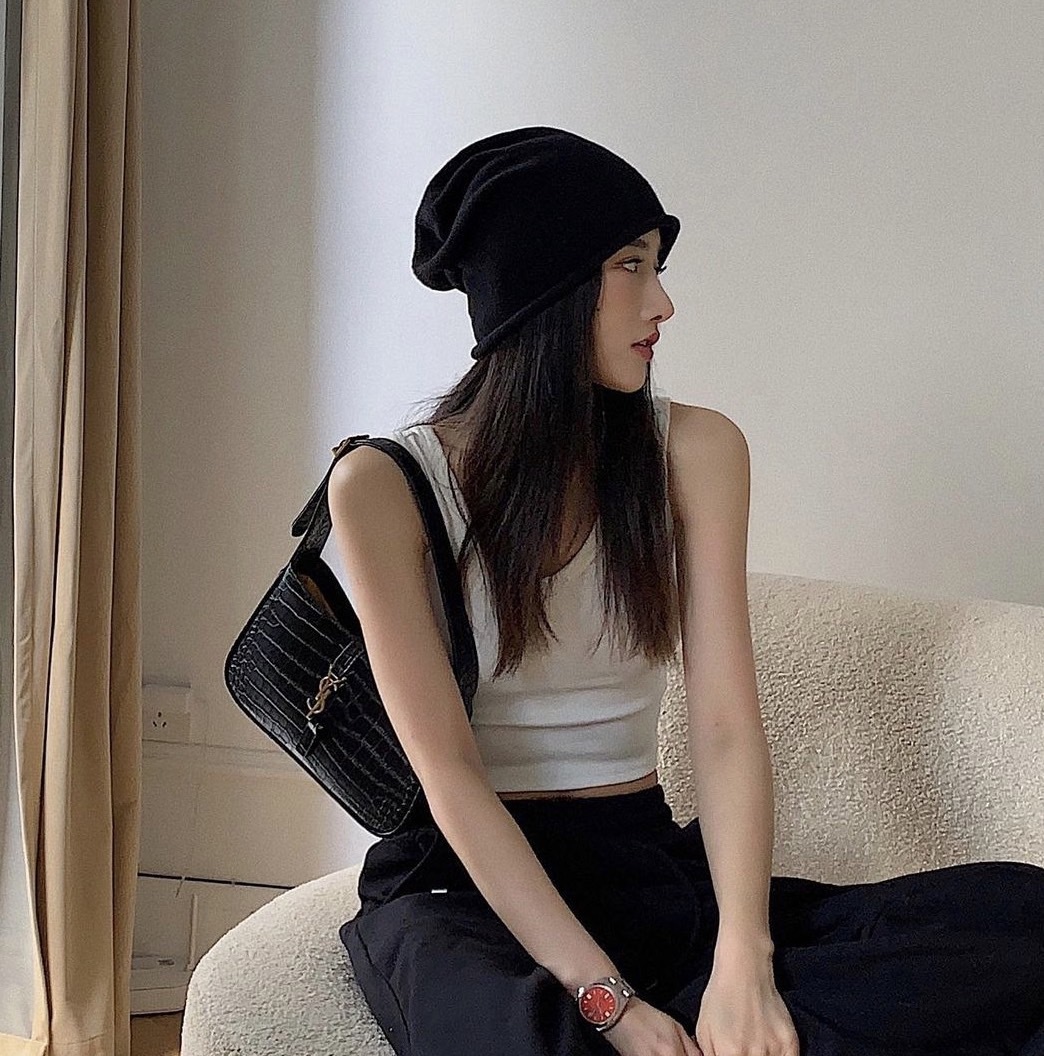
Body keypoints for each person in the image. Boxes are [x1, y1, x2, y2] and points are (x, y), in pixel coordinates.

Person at [329, 126, 1044, 1056]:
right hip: (463, 891)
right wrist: (609, 1004)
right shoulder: (382, 487)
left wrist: (745, 961)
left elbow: (724, 728)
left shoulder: (696, 451)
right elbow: (450, 773)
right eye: (631, 265)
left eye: (656, 266)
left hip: (641, 864)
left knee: (1016, 924)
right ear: (544, 287)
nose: (662, 302)